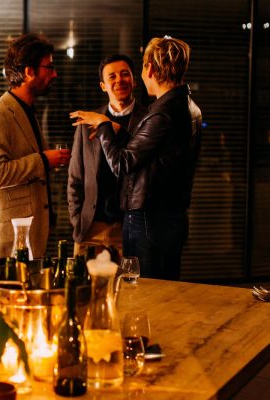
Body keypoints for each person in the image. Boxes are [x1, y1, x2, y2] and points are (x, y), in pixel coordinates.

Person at [70, 37, 202, 280]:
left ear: (149, 68)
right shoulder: (189, 107)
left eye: (139, 68)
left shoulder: (160, 114)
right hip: (169, 218)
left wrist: (103, 125)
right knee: (163, 291)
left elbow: (122, 164)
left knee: (145, 295)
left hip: (149, 221)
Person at [0, 33, 70, 268]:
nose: (54, 74)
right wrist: (43, 160)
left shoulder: (27, 110)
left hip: (29, 237)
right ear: (29, 72)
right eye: (49, 67)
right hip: (9, 240)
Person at [67, 54, 147, 258]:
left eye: (124, 74)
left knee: (130, 289)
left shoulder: (148, 120)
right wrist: (77, 220)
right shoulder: (87, 122)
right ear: (103, 86)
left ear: (134, 80)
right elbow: (75, 178)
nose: (119, 80)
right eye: (112, 77)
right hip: (90, 226)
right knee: (82, 288)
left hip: (128, 226)